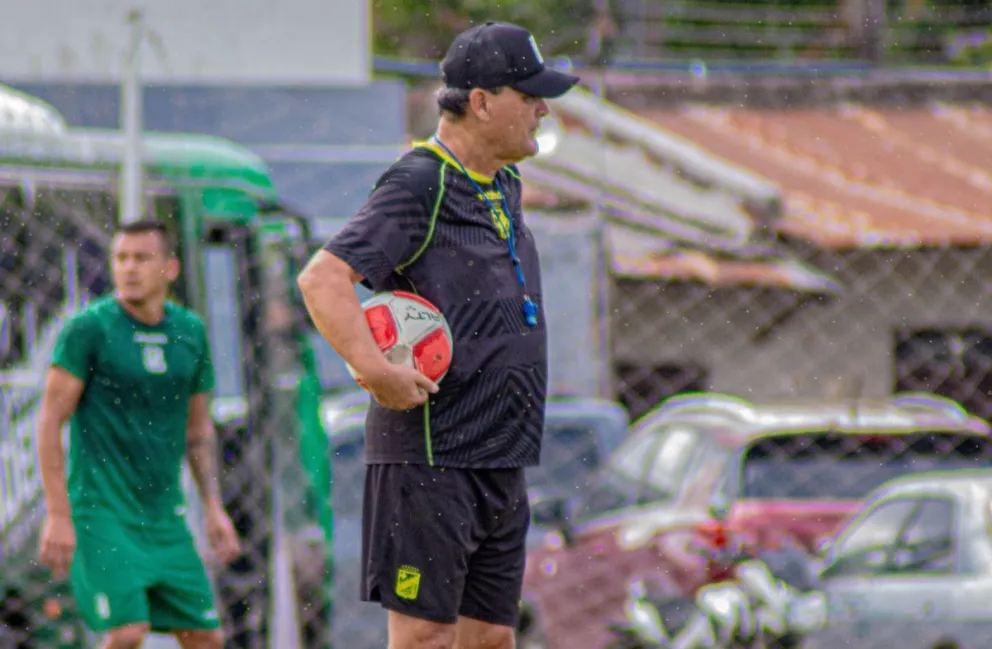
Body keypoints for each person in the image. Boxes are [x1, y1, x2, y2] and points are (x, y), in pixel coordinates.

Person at [297, 20, 579, 649]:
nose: (542, 108)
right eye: (529, 94)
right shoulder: (420, 181)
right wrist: (376, 370)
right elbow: (323, 279)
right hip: (431, 456)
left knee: (490, 640)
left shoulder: (504, 183)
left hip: (500, 455)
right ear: (480, 102)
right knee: (426, 636)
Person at [36, 219, 242, 649]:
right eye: (121, 258)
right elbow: (49, 421)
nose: (128, 268)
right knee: (128, 632)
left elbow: (198, 429)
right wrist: (58, 514)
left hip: (166, 517)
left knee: (206, 636)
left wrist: (212, 507)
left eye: (141, 258)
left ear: (170, 268)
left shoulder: (190, 332)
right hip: (101, 514)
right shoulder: (89, 330)